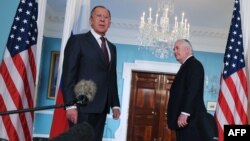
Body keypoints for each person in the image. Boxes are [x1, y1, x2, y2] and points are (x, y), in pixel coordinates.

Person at [61, 5, 121, 141]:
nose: (102, 20)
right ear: (90, 20)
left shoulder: (112, 48)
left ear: (109, 24)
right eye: (98, 16)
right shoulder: (78, 41)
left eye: (106, 18)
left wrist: (115, 104)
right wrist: (70, 105)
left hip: (102, 108)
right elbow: (68, 75)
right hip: (82, 107)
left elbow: (111, 78)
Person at [167, 39, 208, 141]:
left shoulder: (194, 65)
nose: (174, 51)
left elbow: (192, 90)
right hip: (185, 122)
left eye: (177, 48)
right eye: (173, 49)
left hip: (190, 120)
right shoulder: (186, 66)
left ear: (187, 49)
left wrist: (185, 113)